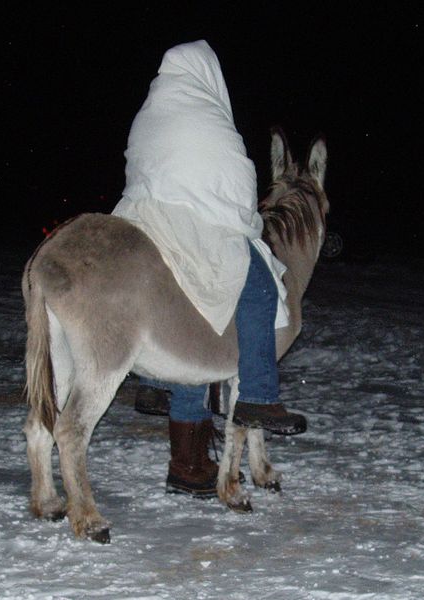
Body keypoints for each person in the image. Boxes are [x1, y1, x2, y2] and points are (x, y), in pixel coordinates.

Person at [112, 41, 306, 498]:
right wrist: (246, 221)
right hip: (198, 230)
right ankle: (259, 395)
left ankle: (185, 457)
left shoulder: (149, 115)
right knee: (259, 285)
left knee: (189, 338)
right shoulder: (208, 118)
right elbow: (235, 187)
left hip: (149, 227)